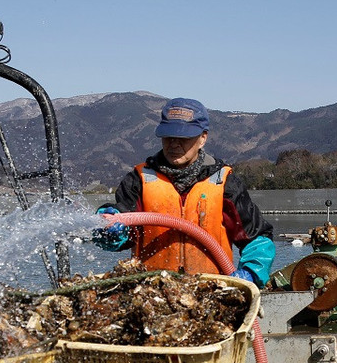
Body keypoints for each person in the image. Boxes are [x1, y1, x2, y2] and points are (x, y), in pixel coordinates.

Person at [92, 97, 275, 286]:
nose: (174, 144)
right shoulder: (139, 180)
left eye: (184, 138)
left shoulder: (225, 183)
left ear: (203, 138)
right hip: (152, 293)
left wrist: (250, 273)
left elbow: (257, 237)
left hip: (212, 292)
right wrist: (110, 229)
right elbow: (121, 232)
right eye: (168, 137)